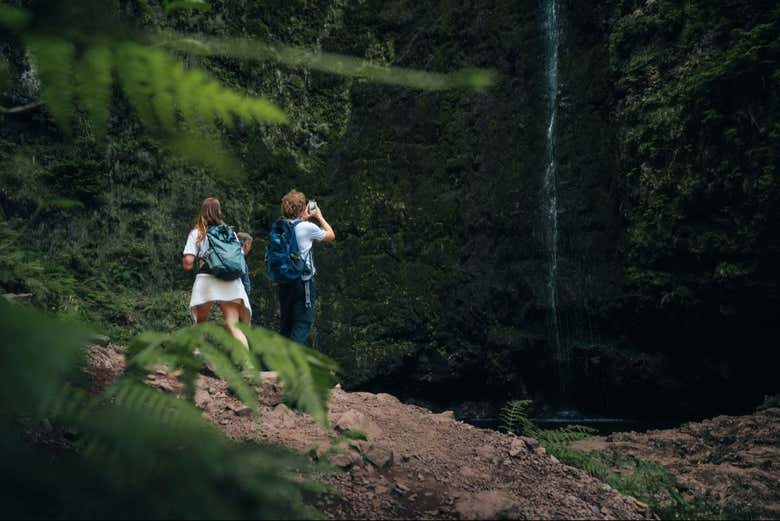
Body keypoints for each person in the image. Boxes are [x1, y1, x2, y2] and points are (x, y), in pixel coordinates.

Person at [182, 197, 251, 348]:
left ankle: (196, 357)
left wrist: (188, 262)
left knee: (201, 323)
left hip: (207, 278)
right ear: (219, 212)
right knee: (233, 326)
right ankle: (248, 365)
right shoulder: (230, 233)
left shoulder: (197, 233)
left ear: (202, 211)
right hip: (230, 280)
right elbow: (238, 258)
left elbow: (188, 262)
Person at [277, 190, 335, 345]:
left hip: (284, 281)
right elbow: (331, 235)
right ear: (302, 209)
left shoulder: (279, 227)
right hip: (303, 281)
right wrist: (319, 216)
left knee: (286, 325)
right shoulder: (307, 227)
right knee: (302, 323)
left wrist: (302, 217)